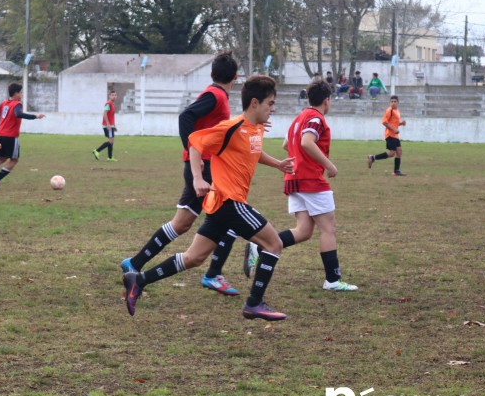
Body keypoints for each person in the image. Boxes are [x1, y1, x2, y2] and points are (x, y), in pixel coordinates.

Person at [122, 75, 295, 321]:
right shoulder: (231, 127)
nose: (273, 109)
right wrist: (197, 178)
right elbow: (195, 143)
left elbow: (253, 151)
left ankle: (138, 280)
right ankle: (254, 304)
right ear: (254, 103)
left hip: (219, 205)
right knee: (274, 244)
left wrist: (278, 164)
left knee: (193, 258)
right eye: (270, 103)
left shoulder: (255, 128)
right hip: (229, 201)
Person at [120, 52, 243, 296]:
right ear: (236, 77)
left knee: (182, 223)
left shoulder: (217, 96)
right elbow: (186, 115)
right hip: (204, 168)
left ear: (212, 73)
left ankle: (135, 263)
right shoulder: (215, 95)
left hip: (199, 166)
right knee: (230, 217)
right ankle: (213, 274)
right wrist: (191, 149)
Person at [280, 80, 358, 291]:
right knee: (328, 228)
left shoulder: (299, 117)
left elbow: (287, 144)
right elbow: (306, 142)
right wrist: (328, 164)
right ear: (327, 100)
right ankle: (332, 280)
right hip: (310, 179)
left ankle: (260, 248)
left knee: (304, 231)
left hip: (294, 178)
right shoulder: (316, 117)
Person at [0, 82, 45, 190]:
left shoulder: (4, 103)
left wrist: (6, 117)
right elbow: (18, 114)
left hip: (0, 135)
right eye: (21, 92)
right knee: (14, 160)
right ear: (16, 93)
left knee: (1, 158)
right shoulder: (17, 104)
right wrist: (36, 116)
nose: (21, 95)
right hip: (11, 136)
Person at [366, 95, 406, 176]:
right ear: (390, 102)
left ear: (398, 102)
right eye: (392, 101)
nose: (393, 103)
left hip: (395, 135)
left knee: (399, 151)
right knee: (392, 153)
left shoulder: (397, 111)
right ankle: (372, 157)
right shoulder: (389, 110)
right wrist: (394, 130)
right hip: (390, 135)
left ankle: (396, 171)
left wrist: (401, 123)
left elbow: (394, 123)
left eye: (395, 101)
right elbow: (384, 122)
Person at [92, 91, 118, 162]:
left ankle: (110, 157)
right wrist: (108, 124)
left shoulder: (112, 104)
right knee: (110, 141)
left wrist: (114, 125)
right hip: (108, 126)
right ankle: (96, 151)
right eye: (112, 95)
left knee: (111, 141)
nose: (114, 96)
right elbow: (104, 113)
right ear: (109, 96)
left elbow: (111, 116)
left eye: (115, 95)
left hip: (111, 125)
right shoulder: (108, 104)